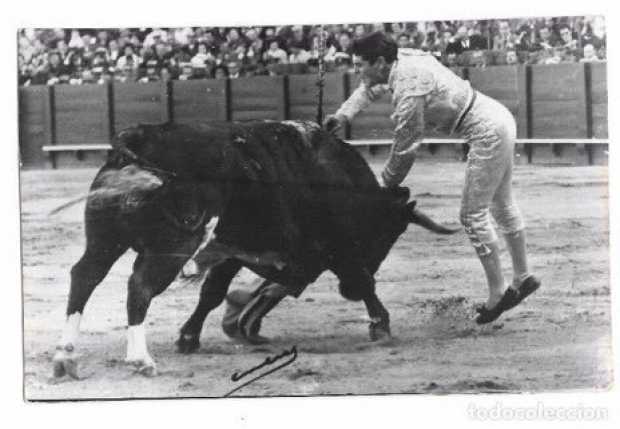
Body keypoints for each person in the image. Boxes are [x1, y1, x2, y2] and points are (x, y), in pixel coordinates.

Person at [323, 32, 540, 324]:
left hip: (486, 132)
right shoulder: (402, 59)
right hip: (498, 119)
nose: (358, 70)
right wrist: (344, 114)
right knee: (502, 205)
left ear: (379, 62)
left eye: (361, 64)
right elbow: (370, 87)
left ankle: (498, 294)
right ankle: (523, 276)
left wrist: (383, 187)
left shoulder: (409, 86)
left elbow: (406, 146)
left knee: (472, 214)